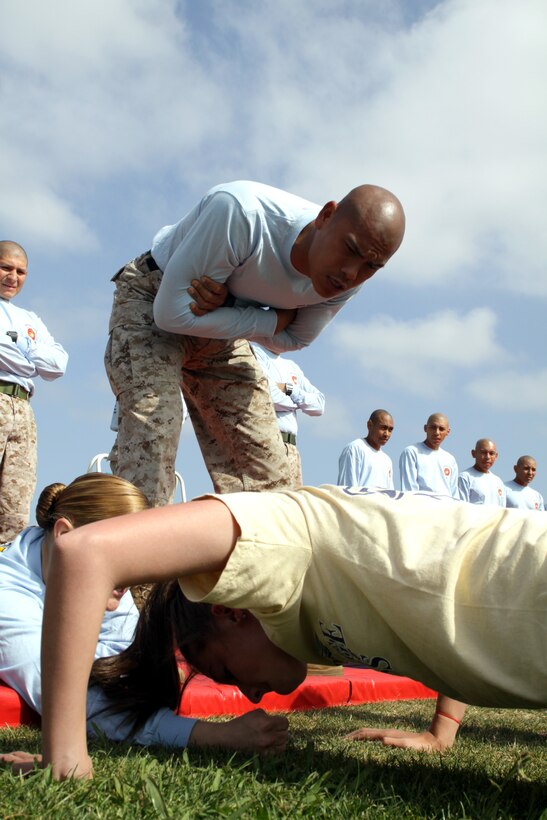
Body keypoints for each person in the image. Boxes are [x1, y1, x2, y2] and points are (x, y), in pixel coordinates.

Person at [28, 483, 547, 779]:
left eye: (223, 670)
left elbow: (86, 550)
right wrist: (442, 731)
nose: (247, 695)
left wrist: (64, 756)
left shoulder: (283, 534)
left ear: (230, 611)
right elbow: (448, 577)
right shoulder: (310, 597)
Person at [105, 181, 405, 506]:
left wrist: (232, 307)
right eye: (349, 249)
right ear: (326, 216)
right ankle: (130, 548)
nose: (350, 273)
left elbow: (294, 338)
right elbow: (169, 314)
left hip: (222, 325)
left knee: (270, 472)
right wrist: (274, 317)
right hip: (152, 298)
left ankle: (257, 554)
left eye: (372, 266)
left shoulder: (347, 278)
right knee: (154, 433)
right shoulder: (243, 213)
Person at [0, 473, 288, 771]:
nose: (132, 578)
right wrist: (215, 735)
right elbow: (77, 704)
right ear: (64, 535)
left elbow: (127, 670)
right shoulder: (7, 597)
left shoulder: (95, 565)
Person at [0, 241, 68, 543]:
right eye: (6, 267)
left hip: (23, 408)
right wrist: (32, 354)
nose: (13, 276)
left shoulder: (30, 319)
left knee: (15, 502)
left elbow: (58, 365)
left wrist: (21, 348)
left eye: (21, 271)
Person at [251, 343, 325, 486]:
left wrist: (289, 389)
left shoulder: (292, 366)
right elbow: (268, 396)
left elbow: (319, 405)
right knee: (273, 502)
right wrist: (300, 404)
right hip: (269, 443)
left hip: (291, 448)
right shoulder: (256, 352)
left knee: (292, 503)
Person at [399, 413, 458, 496]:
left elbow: (454, 494)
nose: (437, 432)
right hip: (422, 507)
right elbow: (409, 491)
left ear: (448, 431)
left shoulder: (450, 459)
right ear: (425, 428)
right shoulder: (411, 452)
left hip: (446, 507)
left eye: (441, 429)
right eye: (433, 428)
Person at [337, 409, 394, 488]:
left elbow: (390, 494)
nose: (386, 434)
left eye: (390, 430)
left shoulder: (387, 460)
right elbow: (347, 490)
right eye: (383, 428)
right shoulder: (354, 449)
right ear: (370, 425)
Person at [458, 439, 506, 506]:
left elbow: (502, 510)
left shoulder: (498, 482)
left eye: (491, 453)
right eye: (483, 452)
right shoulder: (465, 478)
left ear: (496, 456)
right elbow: (461, 508)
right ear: (473, 453)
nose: (487, 457)